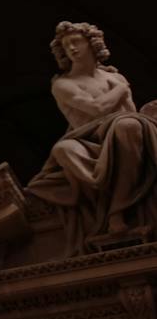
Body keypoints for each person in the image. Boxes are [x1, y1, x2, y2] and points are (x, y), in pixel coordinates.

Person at [27, 21, 157, 248]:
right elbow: (96, 110)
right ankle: (104, 202)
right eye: (67, 46)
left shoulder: (114, 79)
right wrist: (122, 89)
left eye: (76, 42)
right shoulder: (64, 84)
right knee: (63, 149)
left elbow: (130, 113)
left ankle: (117, 211)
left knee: (128, 126)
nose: (72, 49)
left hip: (120, 136)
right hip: (87, 139)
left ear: (92, 43)